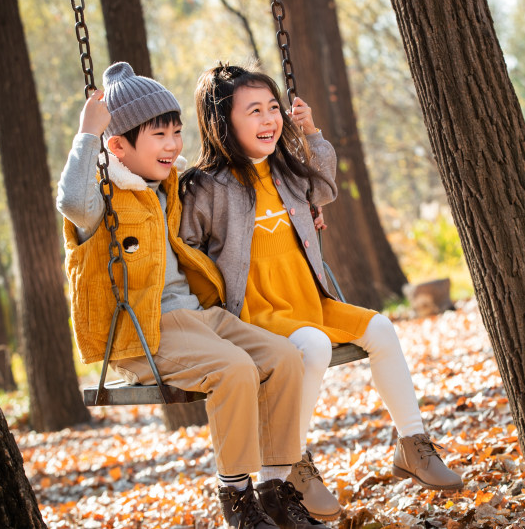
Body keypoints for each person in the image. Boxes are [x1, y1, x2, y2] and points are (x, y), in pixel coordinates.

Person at [179, 62, 464, 521]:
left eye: (273, 107)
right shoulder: (207, 187)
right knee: (311, 346)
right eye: (253, 111)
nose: (269, 118)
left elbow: (324, 187)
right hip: (254, 312)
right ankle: (290, 460)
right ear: (221, 122)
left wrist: (310, 134)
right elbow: (186, 249)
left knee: (381, 328)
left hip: (310, 298)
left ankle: (413, 444)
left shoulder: (284, 170)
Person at [57, 62, 328, 529]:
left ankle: (274, 486)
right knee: (235, 370)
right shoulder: (100, 198)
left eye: (176, 132)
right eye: (159, 136)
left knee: (285, 359)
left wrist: (306, 211)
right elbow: (73, 203)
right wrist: (88, 136)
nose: (172, 145)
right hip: (144, 331)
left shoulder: (169, 188)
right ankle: (237, 500)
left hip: (198, 318)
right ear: (117, 146)